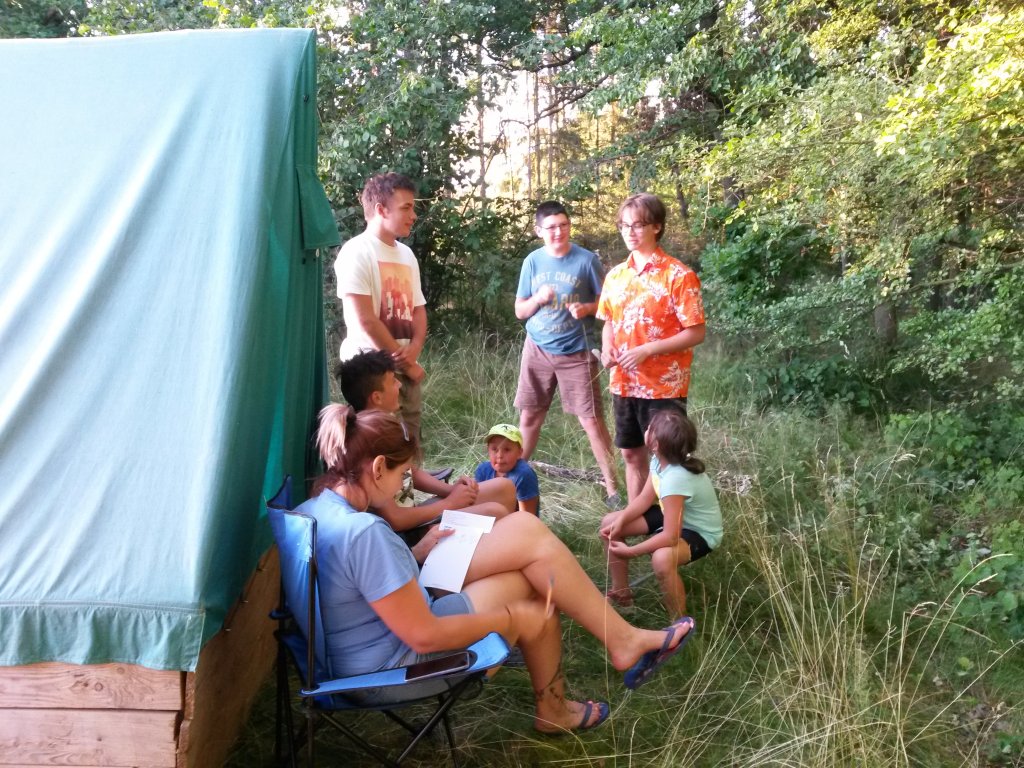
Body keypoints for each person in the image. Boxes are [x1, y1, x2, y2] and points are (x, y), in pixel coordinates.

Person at [297, 404, 696, 732]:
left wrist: (416, 553)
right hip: (392, 670)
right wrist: (510, 618)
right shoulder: (364, 532)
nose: (403, 485)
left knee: (527, 547)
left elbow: (360, 587)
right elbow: (423, 635)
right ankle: (571, 691)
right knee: (534, 596)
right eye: (402, 475)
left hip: (374, 643)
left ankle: (596, 666)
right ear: (377, 467)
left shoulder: (318, 507)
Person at [597, 193, 706, 503]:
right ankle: (638, 516)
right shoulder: (616, 276)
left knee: (668, 457)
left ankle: (669, 521)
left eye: (638, 225)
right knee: (631, 454)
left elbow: (696, 332)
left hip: (663, 386)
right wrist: (607, 348)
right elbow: (609, 322)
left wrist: (648, 350)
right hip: (624, 383)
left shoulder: (679, 276)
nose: (629, 232)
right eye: (624, 225)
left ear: (656, 227)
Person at [336, 350, 516, 532]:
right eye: (393, 381)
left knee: (504, 487)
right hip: (408, 531)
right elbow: (395, 519)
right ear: (377, 397)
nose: (399, 384)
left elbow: (409, 471)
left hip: (418, 514)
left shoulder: (389, 424)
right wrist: (449, 503)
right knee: (495, 511)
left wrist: (450, 490)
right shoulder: (366, 442)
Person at [514, 201, 619, 505]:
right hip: (537, 348)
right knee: (530, 415)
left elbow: (608, 304)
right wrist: (538, 299)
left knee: (591, 420)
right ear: (539, 231)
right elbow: (520, 310)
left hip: (576, 351)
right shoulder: (532, 262)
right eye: (551, 227)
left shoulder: (586, 261)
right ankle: (512, 481)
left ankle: (613, 489)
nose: (558, 232)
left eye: (563, 225)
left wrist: (586, 308)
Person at [599, 409, 722, 617]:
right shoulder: (659, 461)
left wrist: (632, 551)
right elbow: (644, 499)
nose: (645, 429)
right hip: (673, 516)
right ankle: (622, 593)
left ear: (656, 444)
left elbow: (671, 536)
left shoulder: (676, 478)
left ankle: (680, 623)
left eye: (649, 428)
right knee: (609, 523)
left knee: (662, 559)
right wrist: (620, 522)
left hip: (700, 531)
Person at [335, 172, 427, 443]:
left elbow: (418, 308)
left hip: (405, 366)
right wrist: (405, 362)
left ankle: (410, 474)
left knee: (409, 440)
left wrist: (415, 349)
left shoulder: (407, 254)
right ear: (381, 209)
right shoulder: (356, 252)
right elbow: (365, 320)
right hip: (371, 371)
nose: (413, 215)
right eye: (406, 207)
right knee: (378, 441)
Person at [474, 424, 540, 516]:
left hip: (517, 521)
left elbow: (527, 516)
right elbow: (477, 504)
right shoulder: (482, 470)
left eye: (507, 449)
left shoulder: (523, 475)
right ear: (488, 450)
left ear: (519, 453)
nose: (500, 455)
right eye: (494, 449)